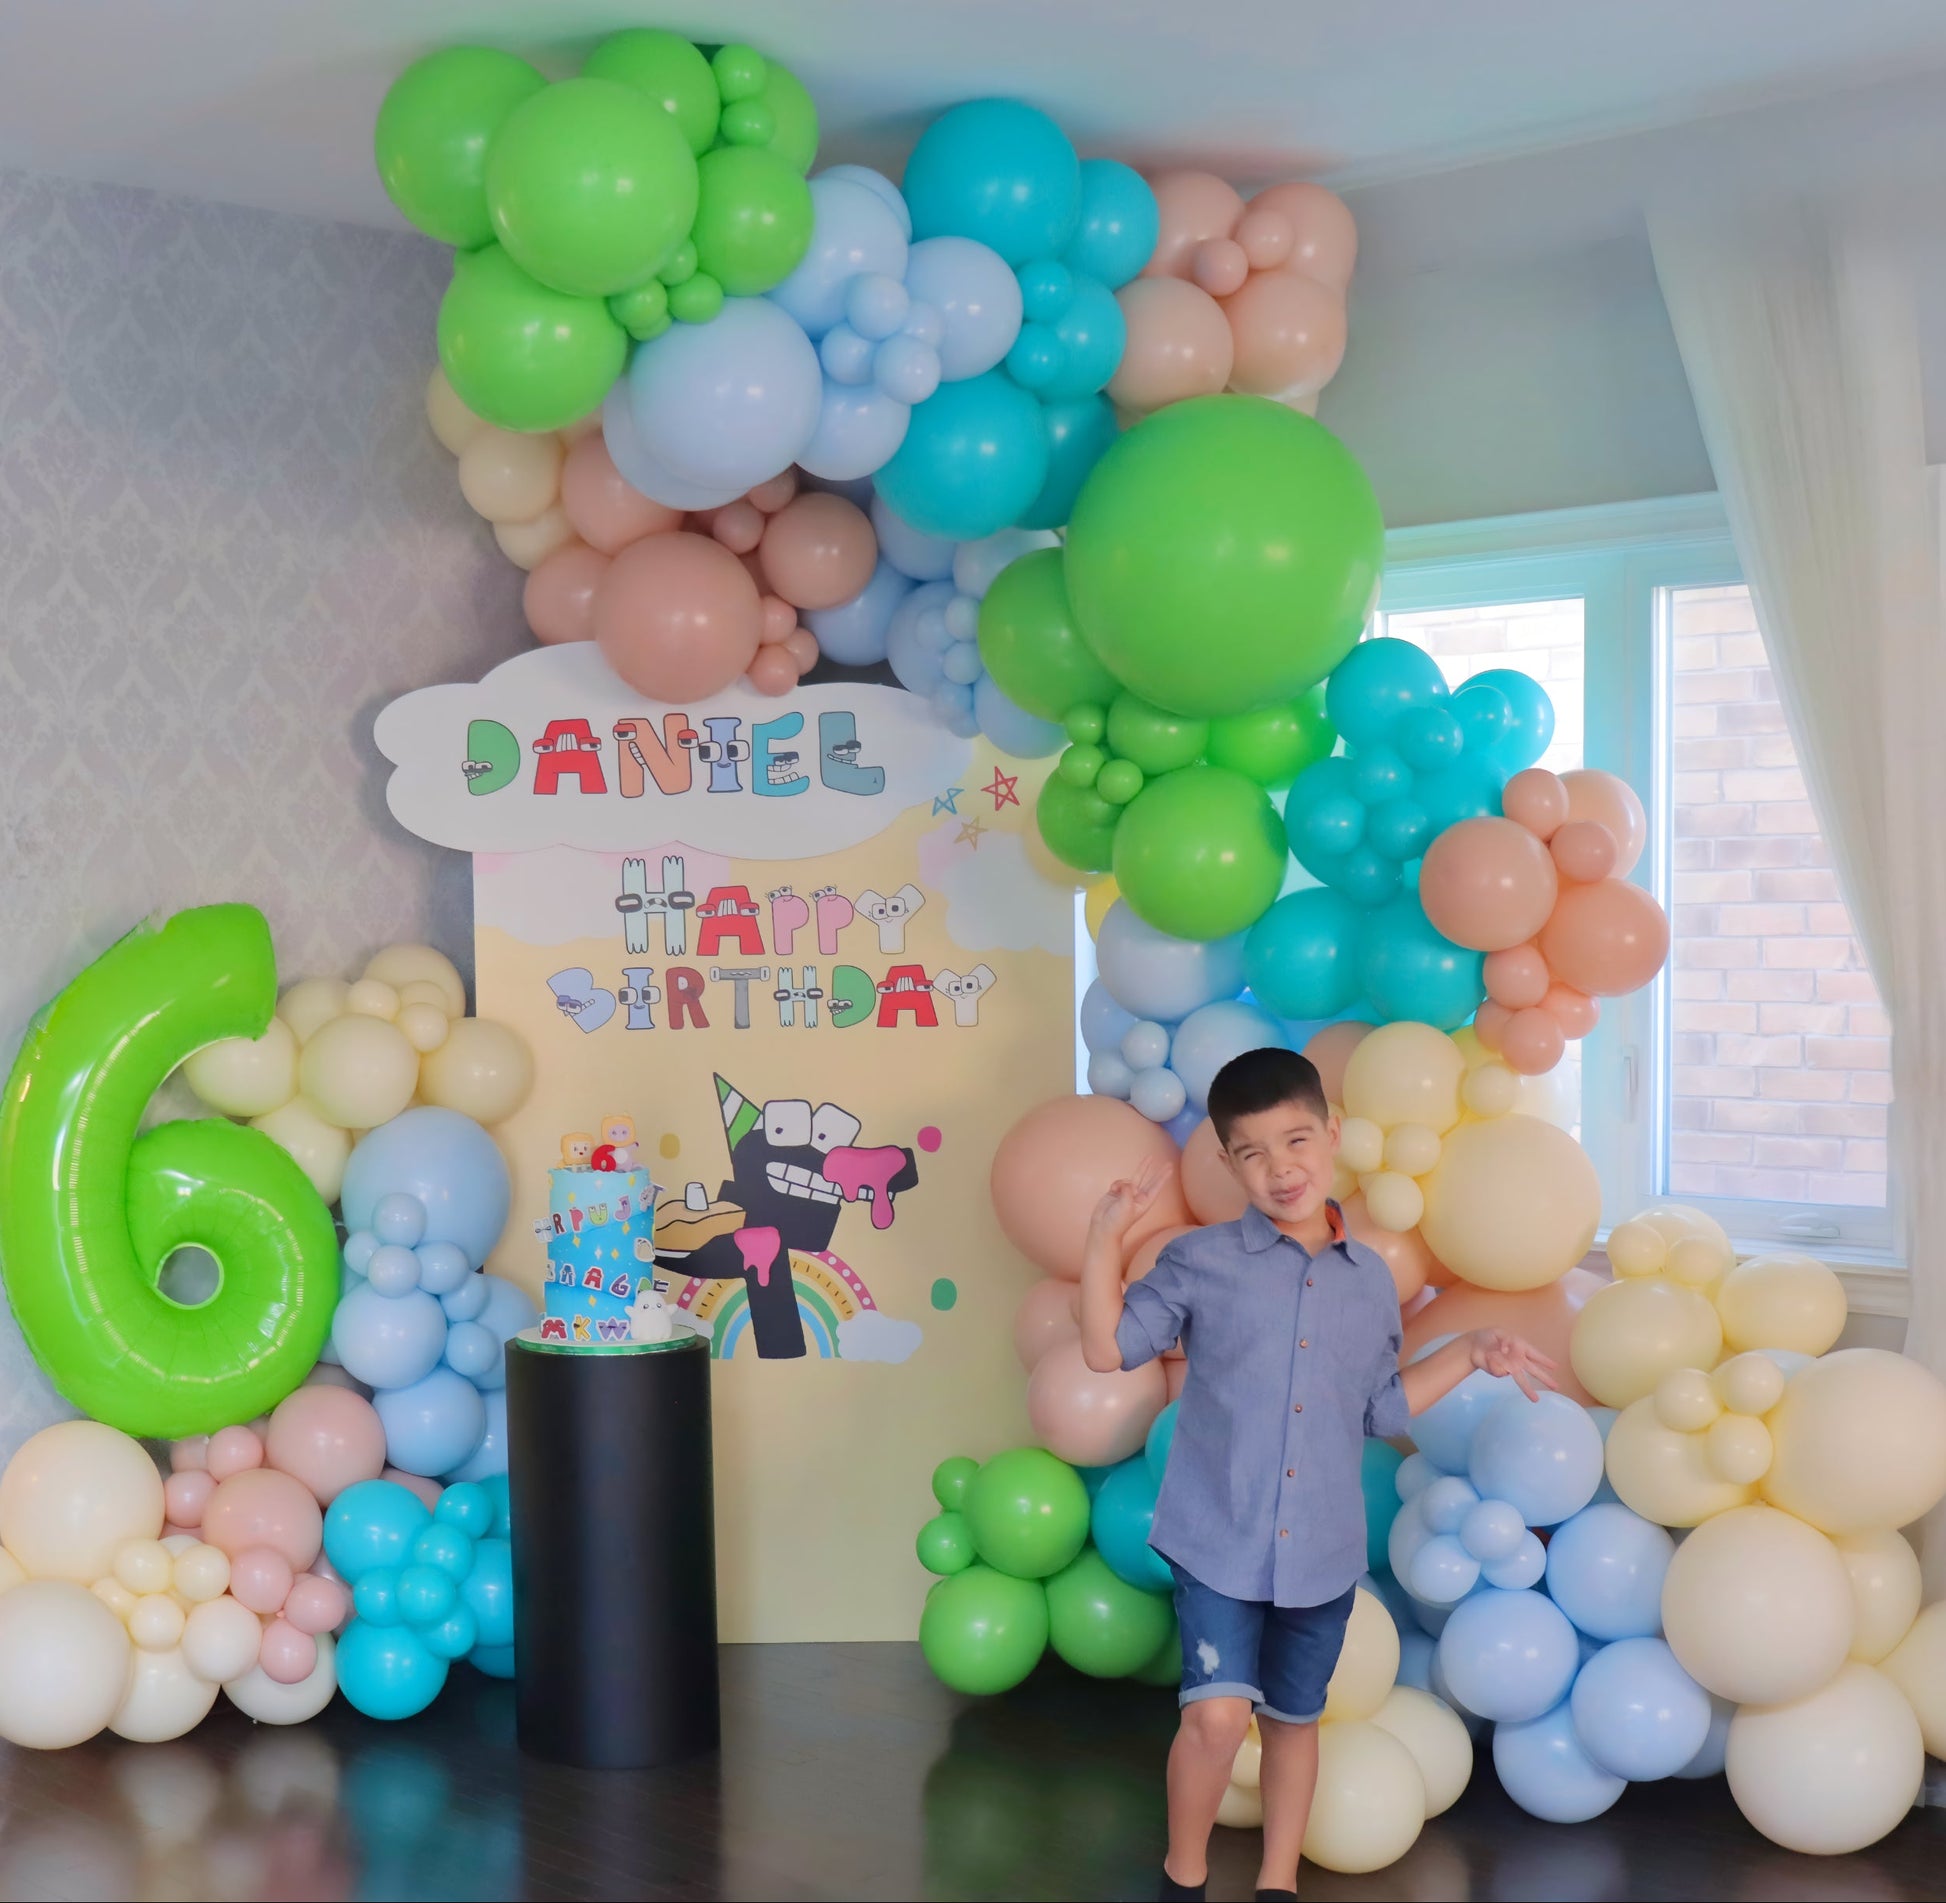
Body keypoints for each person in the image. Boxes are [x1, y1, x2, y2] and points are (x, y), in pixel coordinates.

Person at [1078, 1047, 1557, 1902]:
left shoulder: (1369, 1281)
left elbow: (1379, 1408)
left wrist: (1471, 1353)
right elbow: (1106, 1346)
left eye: (1296, 1141)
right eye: (1252, 1152)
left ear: (1331, 1135)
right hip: (1219, 1533)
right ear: (1226, 1163)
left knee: (1295, 1721)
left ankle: (1278, 1882)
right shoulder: (1199, 1262)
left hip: (1322, 1545)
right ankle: (1181, 1878)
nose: (1279, 1168)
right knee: (1218, 1716)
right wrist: (1102, 1242)